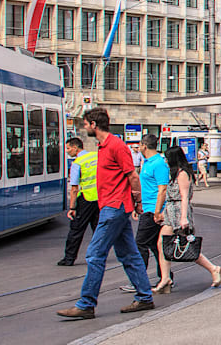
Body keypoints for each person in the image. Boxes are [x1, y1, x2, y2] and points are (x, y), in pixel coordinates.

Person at [58, 108, 154, 320]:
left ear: (94, 125)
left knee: (94, 254)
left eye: (85, 124)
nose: (84, 127)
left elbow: (132, 176)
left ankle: (86, 304)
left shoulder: (115, 146)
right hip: (111, 207)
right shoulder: (103, 146)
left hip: (114, 208)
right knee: (128, 254)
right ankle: (145, 297)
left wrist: (137, 202)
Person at [160, 147, 221, 288]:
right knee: (161, 243)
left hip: (179, 212)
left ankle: (214, 269)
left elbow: (184, 197)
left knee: (186, 245)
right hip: (171, 212)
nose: (165, 161)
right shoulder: (175, 173)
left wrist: (183, 218)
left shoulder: (183, 174)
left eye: (167, 158)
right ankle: (165, 278)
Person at [134, 134, 173, 292]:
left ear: (144, 145)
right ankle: (165, 278)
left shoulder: (158, 163)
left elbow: (162, 189)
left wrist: (157, 211)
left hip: (154, 211)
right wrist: (139, 204)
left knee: (140, 243)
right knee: (155, 245)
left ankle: (140, 281)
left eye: (139, 144)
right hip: (148, 208)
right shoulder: (148, 162)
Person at [59, 136, 99, 266]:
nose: (67, 151)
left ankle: (69, 258)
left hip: (85, 199)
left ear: (75, 148)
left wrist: (72, 207)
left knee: (76, 230)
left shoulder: (78, 163)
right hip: (100, 198)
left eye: (68, 148)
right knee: (98, 230)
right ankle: (98, 255)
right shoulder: (96, 156)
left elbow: (74, 188)